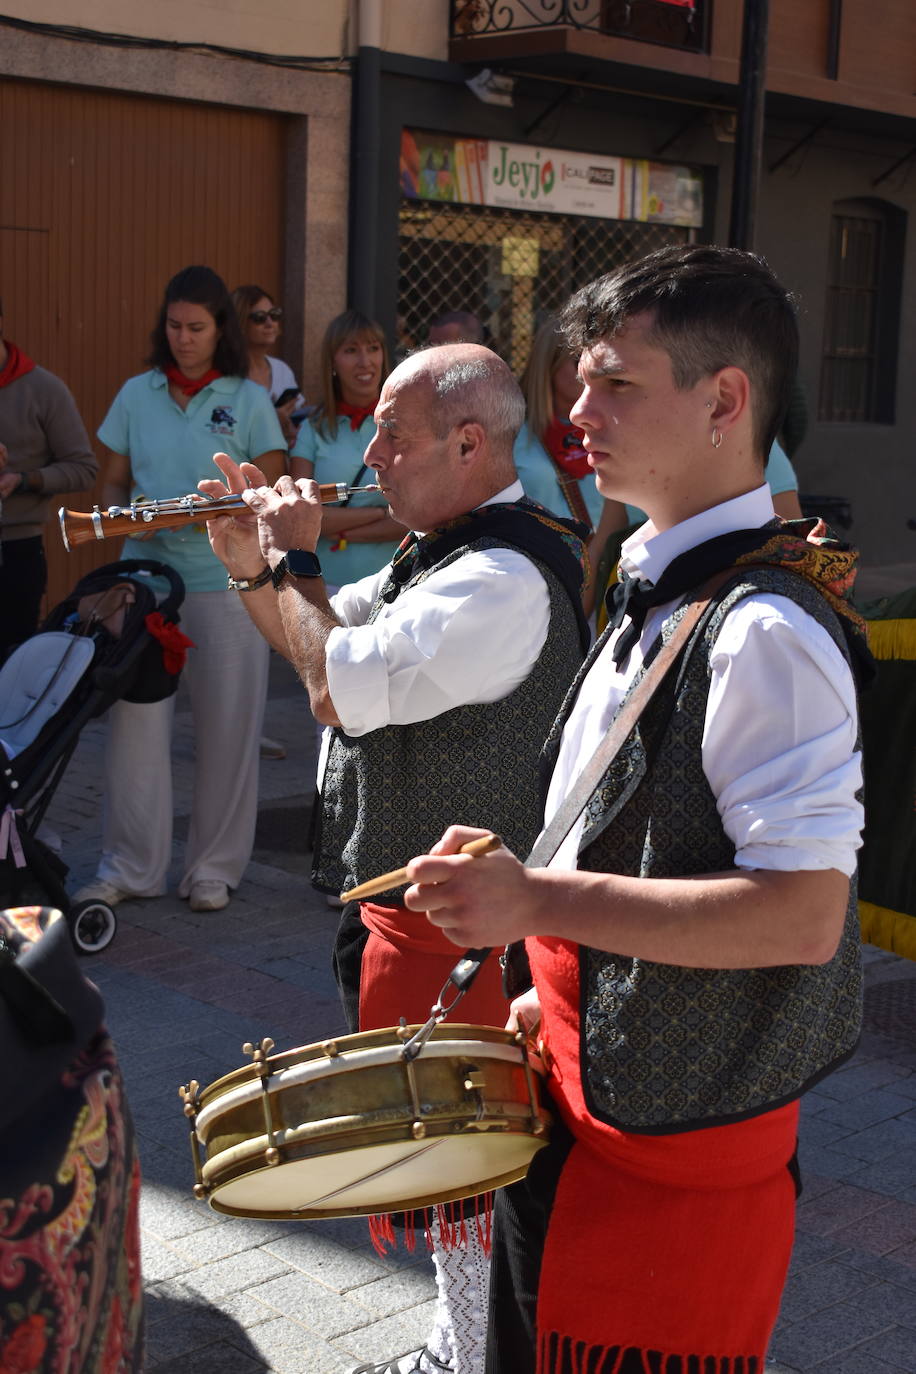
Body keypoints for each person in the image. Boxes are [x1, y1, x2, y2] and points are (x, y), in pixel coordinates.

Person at [399, 246, 870, 1373]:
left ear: (723, 400)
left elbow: (800, 918)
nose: (575, 409)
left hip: (675, 1158)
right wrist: (556, 986)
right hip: (588, 1105)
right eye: (577, 381)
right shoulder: (665, 583)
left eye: (614, 383)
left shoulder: (765, 629)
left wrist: (533, 897)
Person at [200, 343, 591, 1374]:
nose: (369, 454)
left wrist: (293, 555)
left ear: (469, 443)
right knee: (436, 1159)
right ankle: (449, 1343)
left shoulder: (500, 578)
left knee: (462, 1164)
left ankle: (465, 1358)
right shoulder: (445, 555)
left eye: (393, 434)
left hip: (472, 936)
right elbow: (315, 639)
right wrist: (251, 562)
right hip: (420, 916)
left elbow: (336, 687)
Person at [74, 265, 286, 914]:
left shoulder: (248, 397)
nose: (183, 338)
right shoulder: (137, 392)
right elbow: (111, 481)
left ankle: (213, 869)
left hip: (228, 584)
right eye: (173, 325)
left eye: (197, 327)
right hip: (146, 583)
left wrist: (225, 511)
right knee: (135, 728)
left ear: (220, 328)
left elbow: (270, 489)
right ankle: (131, 867)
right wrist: (124, 517)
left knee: (229, 726)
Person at [0, 301, 97, 660]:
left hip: (14, 551)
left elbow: (83, 468)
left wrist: (23, 479)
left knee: (9, 673)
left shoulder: (43, 389)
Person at [513, 317, 622, 614]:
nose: (585, 370)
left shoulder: (616, 431)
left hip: (597, 583)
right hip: (530, 584)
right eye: (576, 360)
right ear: (547, 365)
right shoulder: (511, 433)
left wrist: (589, 574)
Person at [290, 310, 404, 594]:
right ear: (332, 361)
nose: (365, 361)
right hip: (326, 584)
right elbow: (303, 516)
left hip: (396, 581)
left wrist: (337, 528)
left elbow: (414, 515)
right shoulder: (312, 428)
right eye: (351, 350)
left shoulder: (407, 422)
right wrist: (381, 512)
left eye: (373, 348)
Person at [232, 283, 305, 446]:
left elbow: (298, 416)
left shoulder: (282, 370)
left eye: (274, 314)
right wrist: (271, 420)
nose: (270, 322)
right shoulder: (228, 373)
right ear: (240, 322)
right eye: (259, 317)